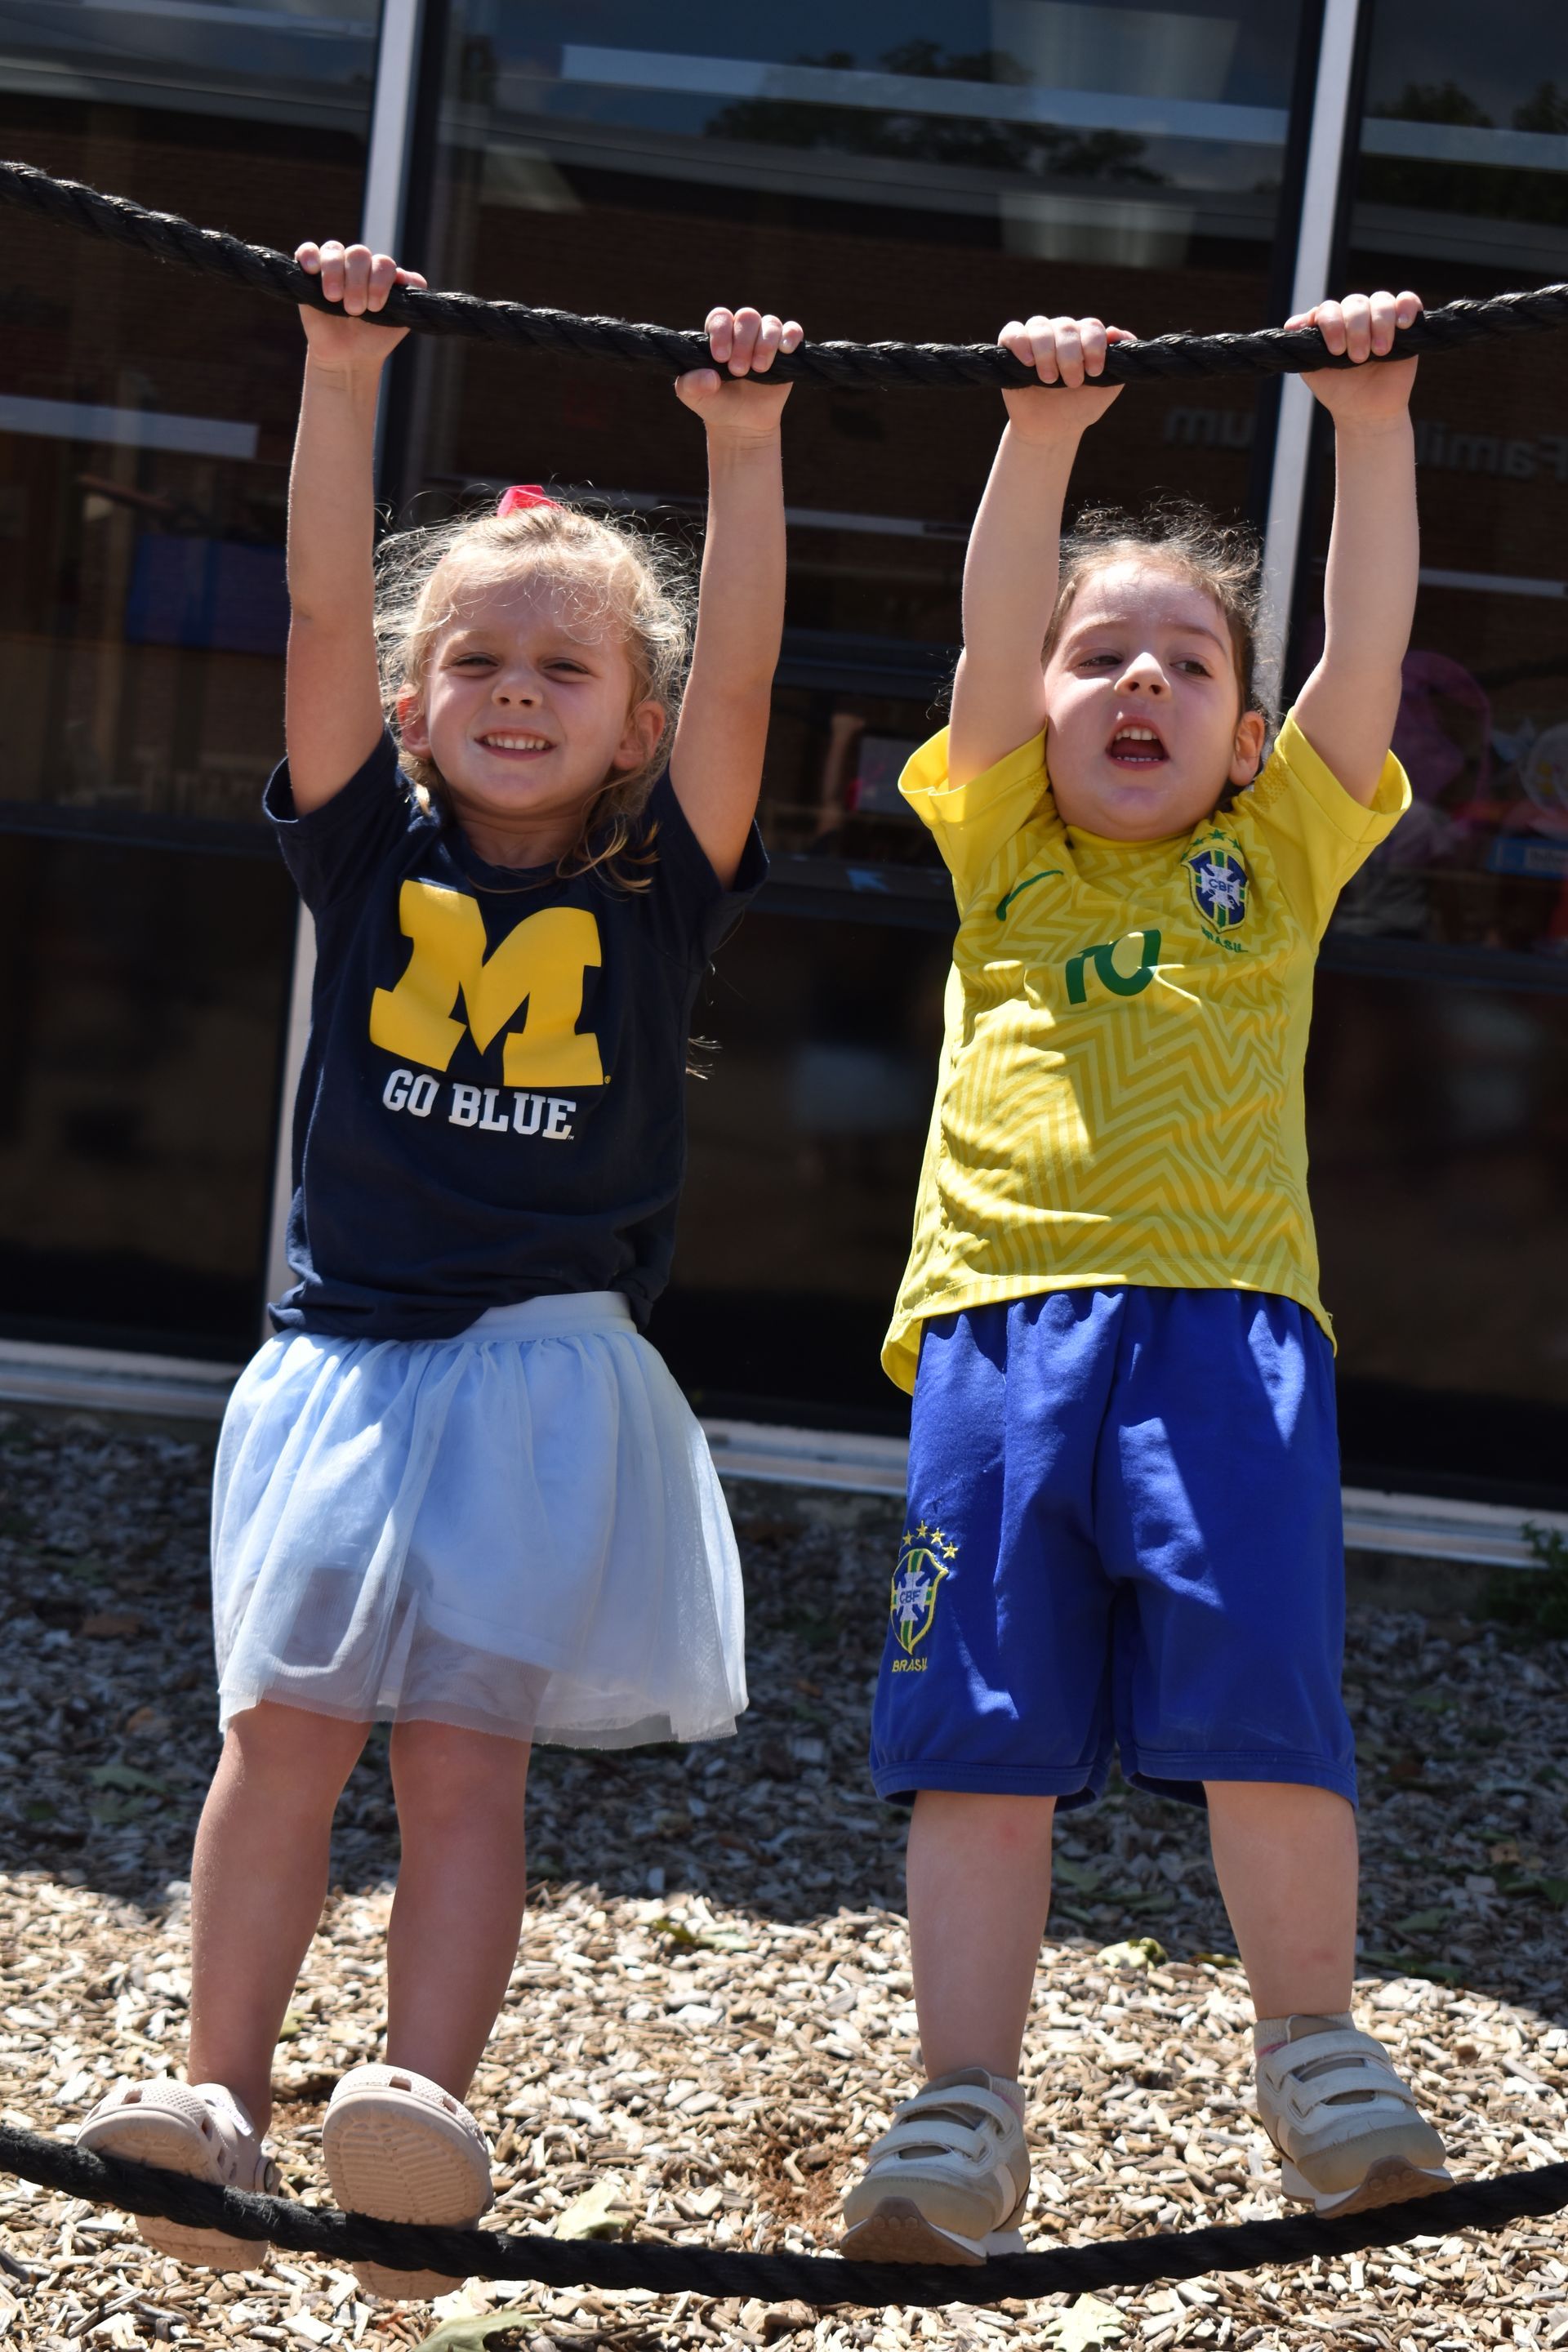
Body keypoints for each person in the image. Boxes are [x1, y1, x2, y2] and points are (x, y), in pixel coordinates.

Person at [76, 238, 801, 2300]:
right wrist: (335, 370)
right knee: (280, 1736)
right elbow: (319, 600)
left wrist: (744, 450)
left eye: (567, 673)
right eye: (479, 662)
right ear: (415, 702)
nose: (515, 692)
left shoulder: (662, 884)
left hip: (546, 1374)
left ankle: (415, 2114)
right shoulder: (362, 844)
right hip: (344, 1365)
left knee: (462, 1761)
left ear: (633, 726)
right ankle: (215, 2094)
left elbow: (746, 678)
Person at [843, 292, 1450, 2266]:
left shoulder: (1276, 857)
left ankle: (1318, 2053)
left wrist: (1369, 419)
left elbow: (1368, 648)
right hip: (1005, 1337)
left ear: (1247, 736)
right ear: (1031, 703)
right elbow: (997, 606)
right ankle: (961, 2106)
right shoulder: (1002, 835)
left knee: (1269, 1708)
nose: (1137, 683)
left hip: (1231, 1331)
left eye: (1185, 663)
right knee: (979, 1732)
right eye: (1097, 655)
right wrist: (1041, 432)